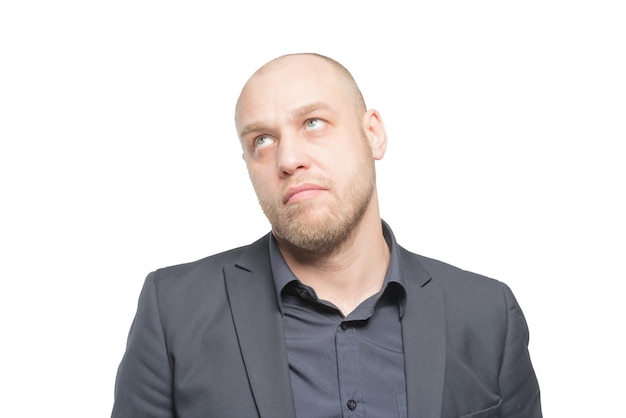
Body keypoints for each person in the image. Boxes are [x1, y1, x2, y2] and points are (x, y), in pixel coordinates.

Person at [111, 53, 542, 418]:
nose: (288, 158)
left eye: (313, 122)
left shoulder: (488, 316)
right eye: (262, 139)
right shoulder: (173, 310)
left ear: (372, 133)